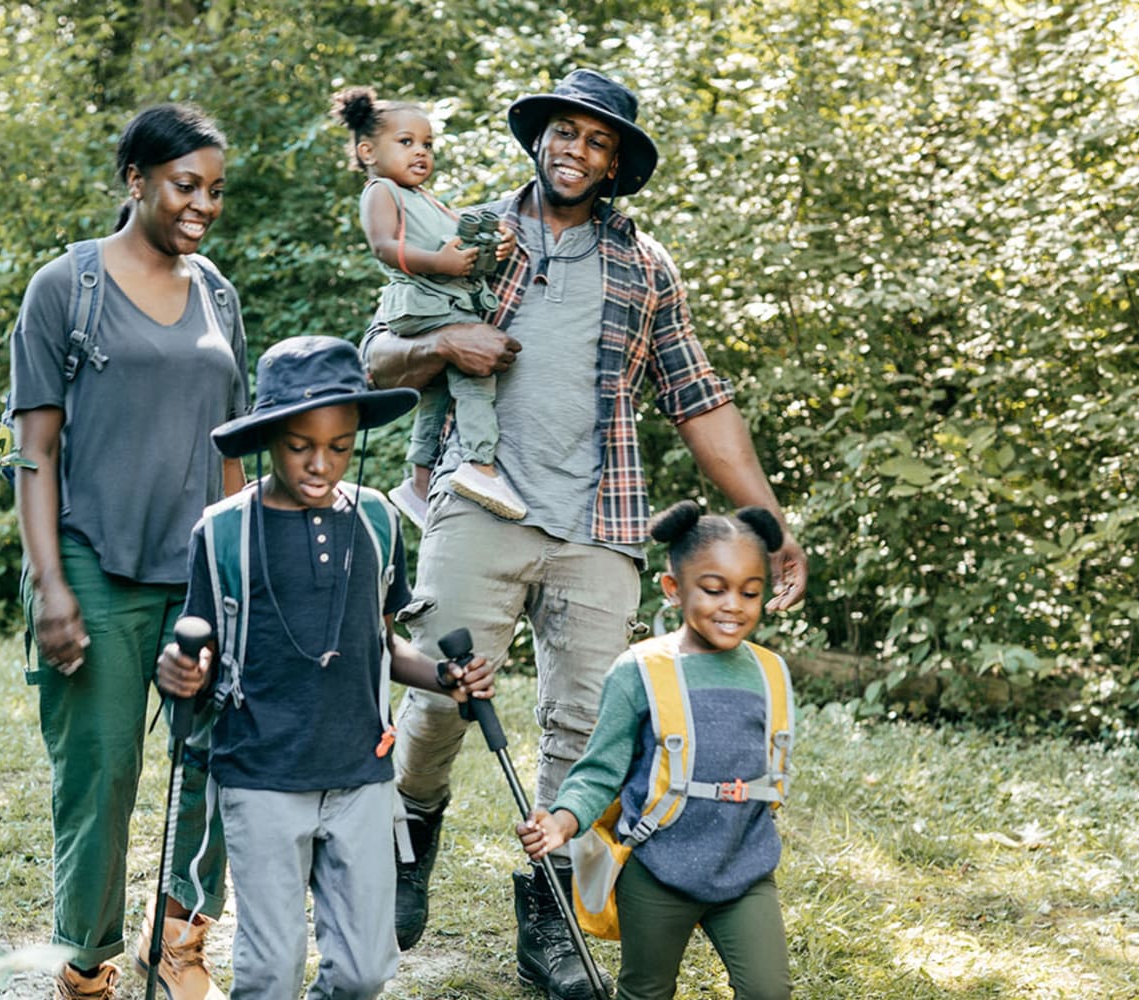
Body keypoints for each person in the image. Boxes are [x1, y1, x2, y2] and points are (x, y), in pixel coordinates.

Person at [361, 69, 810, 999]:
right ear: (539, 139)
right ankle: (413, 830)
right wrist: (446, 346)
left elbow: (698, 400)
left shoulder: (647, 267)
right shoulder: (470, 233)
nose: (576, 150)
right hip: (477, 503)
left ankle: (550, 914)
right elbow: (378, 357)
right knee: (440, 701)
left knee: (586, 730)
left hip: (599, 522)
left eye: (597, 142)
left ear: (615, 165)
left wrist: (771, 524)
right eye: (564, 132)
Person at [155, 336, 495, 1000]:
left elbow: (385, 646)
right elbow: (194, 657)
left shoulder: (374, 521)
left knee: (367, 969)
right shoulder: (222, 532)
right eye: (300, 446)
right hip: (262, 774)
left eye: (339, 447)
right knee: (269, 972)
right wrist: (182, 674)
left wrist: (446, 680)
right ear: (269, 438)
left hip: (361, 774)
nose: (321, 463)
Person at [8, 103, 245, 1000]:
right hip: (96, 570)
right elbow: (37, 450)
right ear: (137, 180)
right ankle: (87, 962)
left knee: (216, 760)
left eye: (215, 190)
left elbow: (232, 444)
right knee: (102, 774)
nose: (203, 205)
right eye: (187, 185)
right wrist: (50, 584)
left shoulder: (218, 292)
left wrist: (235, 580)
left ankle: (177, 943)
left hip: (199, 577)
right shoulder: (67, 288)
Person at [517, 501, 795, 1000]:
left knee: (770, 990)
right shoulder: (640, 670)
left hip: (745, 867)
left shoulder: (770, 672)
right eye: (714, 589)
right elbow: (600, 770)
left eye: (750, 592)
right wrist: (562, 818)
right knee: (646, 991)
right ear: (673, 589)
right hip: (658, 868)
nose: (733, 604)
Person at [329, 85, 524, 528]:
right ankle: (480, 464)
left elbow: (464, 243)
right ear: (368, 151)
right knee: (476, 371)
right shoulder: (382, 191)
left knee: (435, 395)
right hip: (420, 303)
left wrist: (500, 244)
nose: (421, 153)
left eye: (428, 145)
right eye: (406, 142)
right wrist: (439, 262)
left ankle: (417, 484)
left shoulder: (427, 201)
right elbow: (384, 247)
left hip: (437, 300)